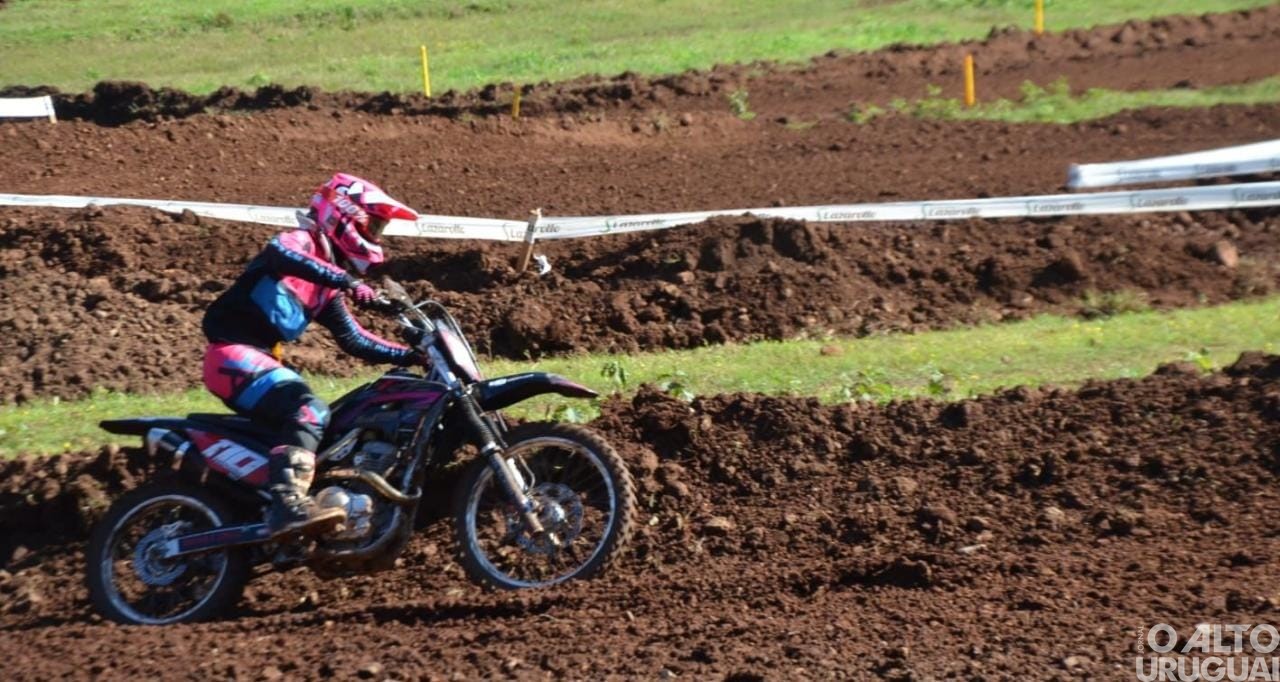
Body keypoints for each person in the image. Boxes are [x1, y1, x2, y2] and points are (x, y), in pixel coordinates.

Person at [201, 173, 422, 538]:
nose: (377, 235)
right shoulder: (301, 242)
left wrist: (412, 356)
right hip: (231, 355)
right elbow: (280, 253)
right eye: (375, 224)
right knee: (309, 410)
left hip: (258, 361)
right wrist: (347, 281)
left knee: (340, 423)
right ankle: (287, 505)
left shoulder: (324, 289)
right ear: (344, 214)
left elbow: (354, 339)